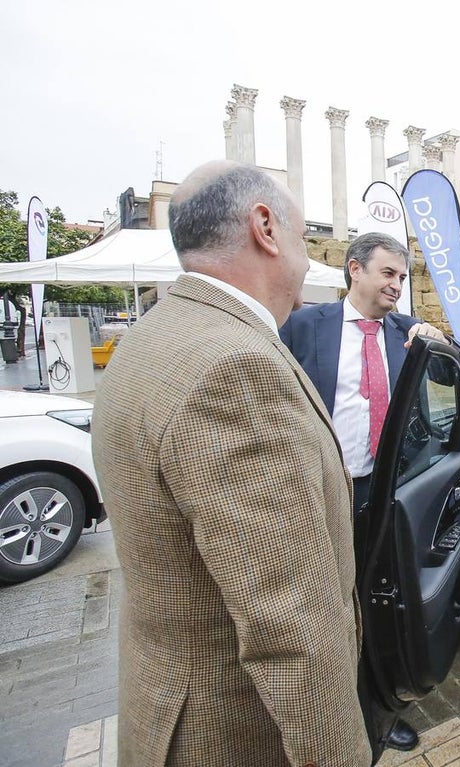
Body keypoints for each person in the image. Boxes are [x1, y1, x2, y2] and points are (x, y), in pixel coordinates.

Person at [91, 161, 371, 767]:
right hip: (234, 732)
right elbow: (292, 626)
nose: (304, 256)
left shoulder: (154, 334)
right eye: (302, 237)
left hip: (165, 708)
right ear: (265, 228)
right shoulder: (235, 366)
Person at [279, 230, 460, 754]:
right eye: (388, 273)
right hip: (322, 489)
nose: (397, 285)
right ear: (354, 270)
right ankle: (330, 713)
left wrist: (441, 340)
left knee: (377, 603)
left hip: (383, 490)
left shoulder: (407, 330)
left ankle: (379, 713)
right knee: (329, 608)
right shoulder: (304, 326)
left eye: (402, 277)